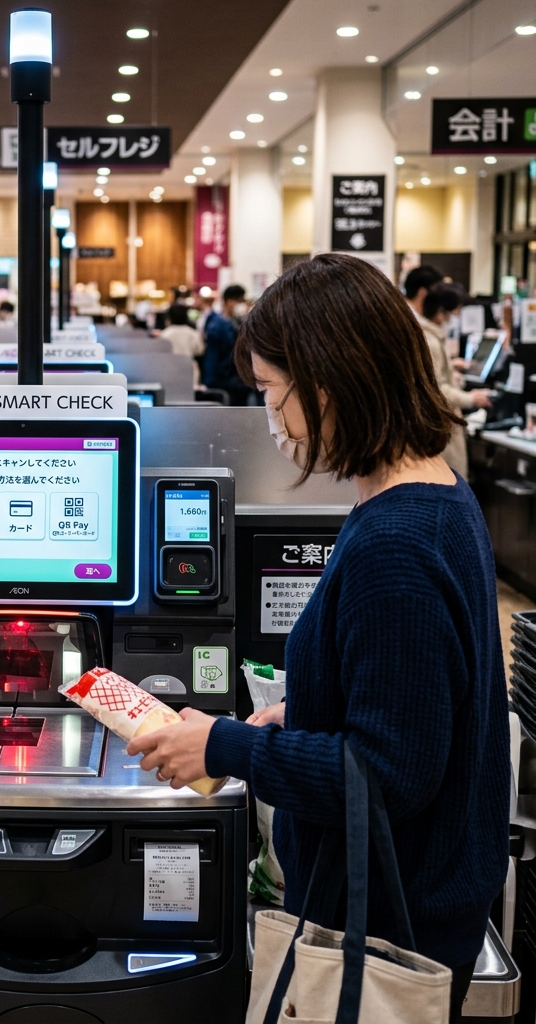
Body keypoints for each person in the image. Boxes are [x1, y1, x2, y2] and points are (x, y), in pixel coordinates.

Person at [125, 253, 510, 1024]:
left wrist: (225, 746)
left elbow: (390, 773)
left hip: (390, 930)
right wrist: (299, 714)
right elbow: (410, 699)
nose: (270, 418)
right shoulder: (438, 497)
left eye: (272, 392)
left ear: (328, 384)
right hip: (416, 907)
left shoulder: (394, 543)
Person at [420, 283, 492, 477]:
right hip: (443, 429)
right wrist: (471, 399)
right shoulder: (431, 341)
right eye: (456, 311)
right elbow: (436, 388)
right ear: (442, 311)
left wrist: (452, 369)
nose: (457, 317)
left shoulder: (431, 336)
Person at [202, 284, 253, 405]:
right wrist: (210, 383)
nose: (242, 305)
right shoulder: (218, 325)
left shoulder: (236, 322)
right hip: (225, 380)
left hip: (235, 380)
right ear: (230, 302)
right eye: (240, 301)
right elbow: (212, 356)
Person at [159, 303, 204, 387]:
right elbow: (199, 351)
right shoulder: (193, 333)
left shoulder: (164, 334)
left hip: (169, 370)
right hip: (189, 370)